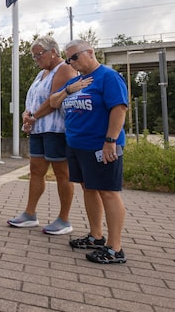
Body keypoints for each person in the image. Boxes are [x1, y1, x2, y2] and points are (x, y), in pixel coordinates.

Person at [49, 40, 128, 264]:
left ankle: (115, 248)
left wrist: (110, 140)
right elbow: (54, 102)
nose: (71, 62)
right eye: (68, 59)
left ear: (91, 52)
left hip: (100, 145)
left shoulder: (108, 77)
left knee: (108, 191)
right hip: (77, 145)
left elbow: (119, 109)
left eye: (74, 57)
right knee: (89, 188)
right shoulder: (76, 81)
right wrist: (67, 90)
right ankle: (96, 236)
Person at [8, 36, 78, 234]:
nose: (36, 59)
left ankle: (64, 219)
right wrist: (26, 114)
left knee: (62, 173)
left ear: (53, 51)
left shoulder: (64, 69)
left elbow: (53, 100)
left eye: (39, 54)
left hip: (55, 130)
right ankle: (30, 214)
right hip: (38, 129)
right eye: (34, 56)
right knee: (35, 171)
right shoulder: (41, 74)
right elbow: (32, 99)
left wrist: (33, 116)